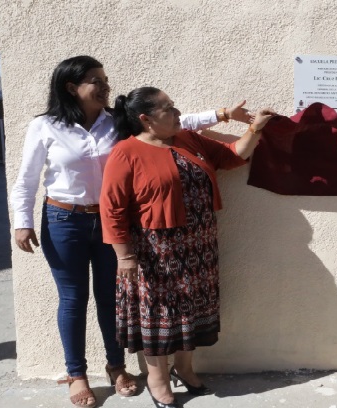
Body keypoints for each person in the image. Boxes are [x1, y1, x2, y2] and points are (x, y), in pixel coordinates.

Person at [9, 56, 253, 408]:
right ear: (71, 87)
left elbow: (172, 123)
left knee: (112, 299)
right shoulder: (46, 126)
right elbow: (27, 179)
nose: (105, 85)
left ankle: (116, 367)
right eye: (96, 80)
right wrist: (22, 222)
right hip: (65, 220)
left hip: (113, 226)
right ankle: (76, 374)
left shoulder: (115, 123)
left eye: (104, 78)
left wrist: (222, 114)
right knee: (73, 299)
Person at [100, 87, 274, 408]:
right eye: (168, 108)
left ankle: (185, 368)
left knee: (191, 309)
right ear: (146, 119)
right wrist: (124, 256)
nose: (178, 112)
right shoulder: (125, 152)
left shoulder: (188, 139)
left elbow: (233, 155)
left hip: (199, 245)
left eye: (175, 106)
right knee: (160, 315)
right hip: (156, 251)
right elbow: (111, 209)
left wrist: (256, 128)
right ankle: (158, 378)